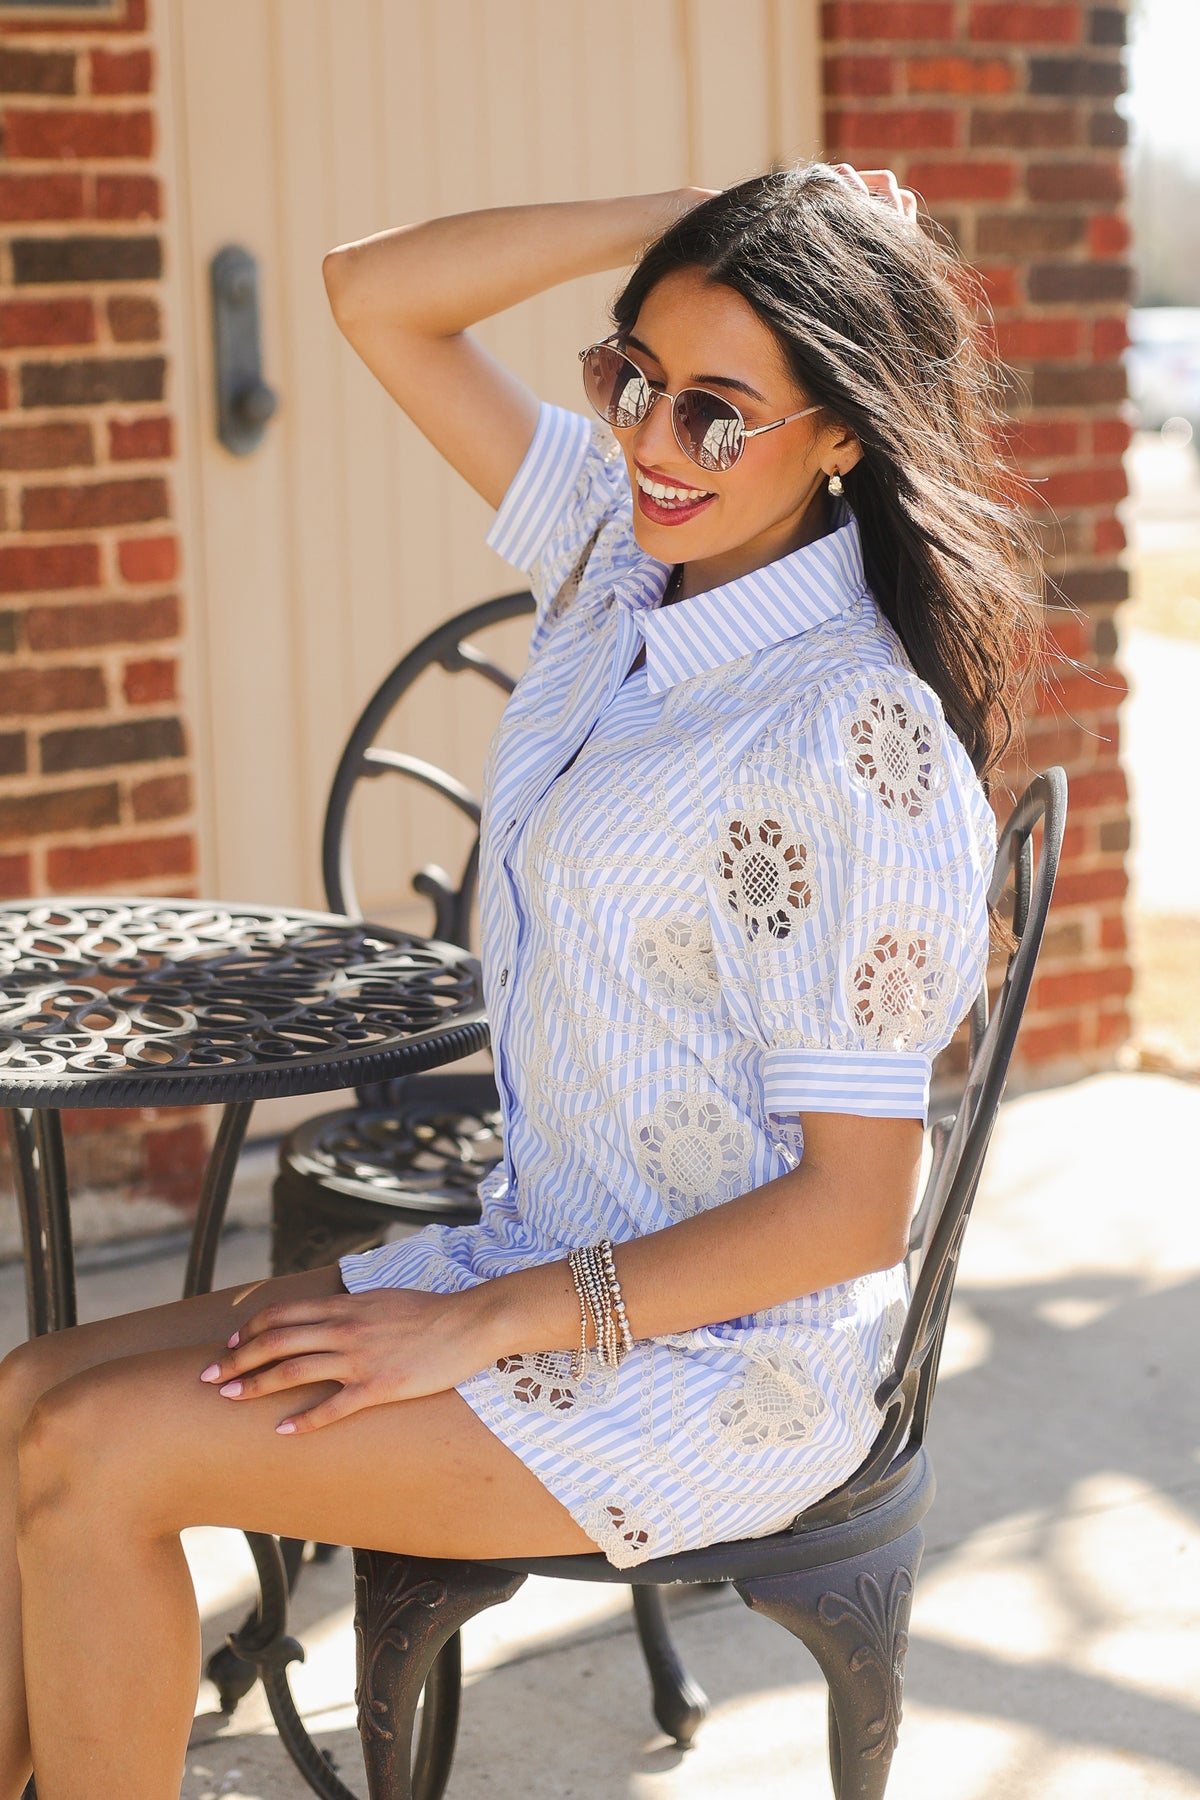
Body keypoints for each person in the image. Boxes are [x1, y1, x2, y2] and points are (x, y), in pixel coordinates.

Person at [0, 161, 1040, 1795]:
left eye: (714, 413)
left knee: (94, 1455)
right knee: (33, 1392)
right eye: (628, 376)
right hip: (545, 1258)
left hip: (714, 1372)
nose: (646, 441)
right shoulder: (621, 566)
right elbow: (372, 291)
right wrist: (714, 213)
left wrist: (471, 1326)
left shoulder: (852, 735)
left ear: (843, 434)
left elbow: (849, 1214)